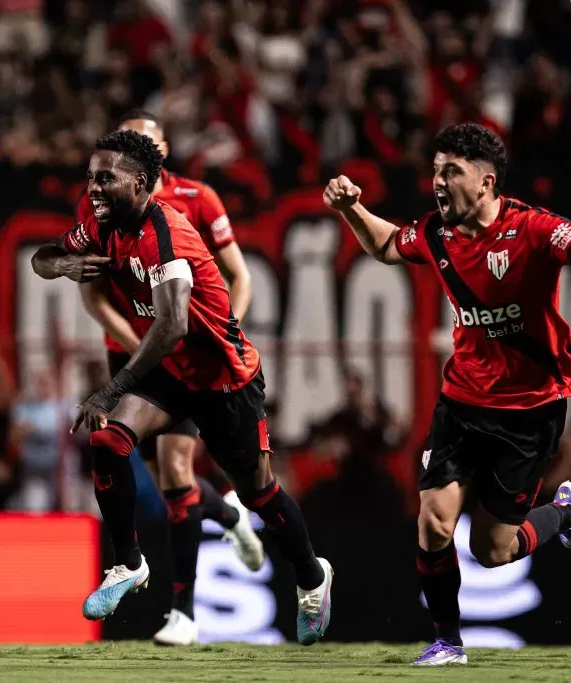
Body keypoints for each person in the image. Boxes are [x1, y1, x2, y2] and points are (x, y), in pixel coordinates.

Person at [325, 122, 571, 666]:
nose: (438, 182)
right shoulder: (435, 233)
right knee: (434, 519)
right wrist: (351, 207)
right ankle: (448, 641)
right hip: (464, 400)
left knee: (491, 550)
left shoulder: (533, 229)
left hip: (530, 408)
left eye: (452, 172)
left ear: (487, 183)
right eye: (436, 170)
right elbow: (383, 245)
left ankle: (563, 512)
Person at [32, 130, 334, 645]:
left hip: (223, 379)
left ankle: (312, 576)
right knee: (108, 440)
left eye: (106, 179)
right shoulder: (102, 226)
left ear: (141, 183)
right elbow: (44, 257)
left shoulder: (164, 232)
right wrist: (63, 265)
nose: (94, 189)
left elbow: (171, 324)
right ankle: (129, 565)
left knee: (260, 493)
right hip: (171, 373)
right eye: (90, 178)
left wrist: (111, 389)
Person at [77, 110, 263, 645]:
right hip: (132, 353)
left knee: (177, 467)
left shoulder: (197, 200)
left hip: (182, 355)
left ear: (159, 153)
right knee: (158, 481)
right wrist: (141, 348)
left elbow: (238, 276)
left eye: (144, 142)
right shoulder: (101, 199)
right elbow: (92, 296)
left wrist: (222, 332)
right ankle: (226, 516)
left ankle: (182, 613)